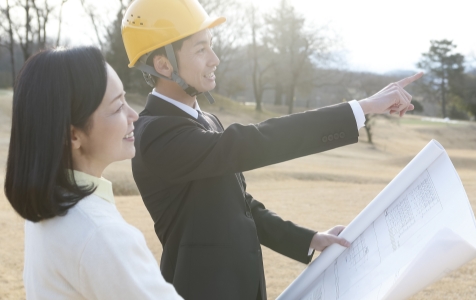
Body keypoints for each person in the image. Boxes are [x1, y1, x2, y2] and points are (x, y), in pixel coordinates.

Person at [121, 0, 423, 299]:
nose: (215, 59)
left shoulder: (206, 120)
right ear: (164, 64)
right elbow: (257, 141)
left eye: (211, 46)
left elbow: (238, 204)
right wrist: (362, 108)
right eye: (201, 49)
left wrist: (309, 239)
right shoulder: (155, 134)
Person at [4, 47, 183, 300]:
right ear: (73, 135)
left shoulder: (48, 206)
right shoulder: (101, 235)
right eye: (117, 106)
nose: (133, 115)